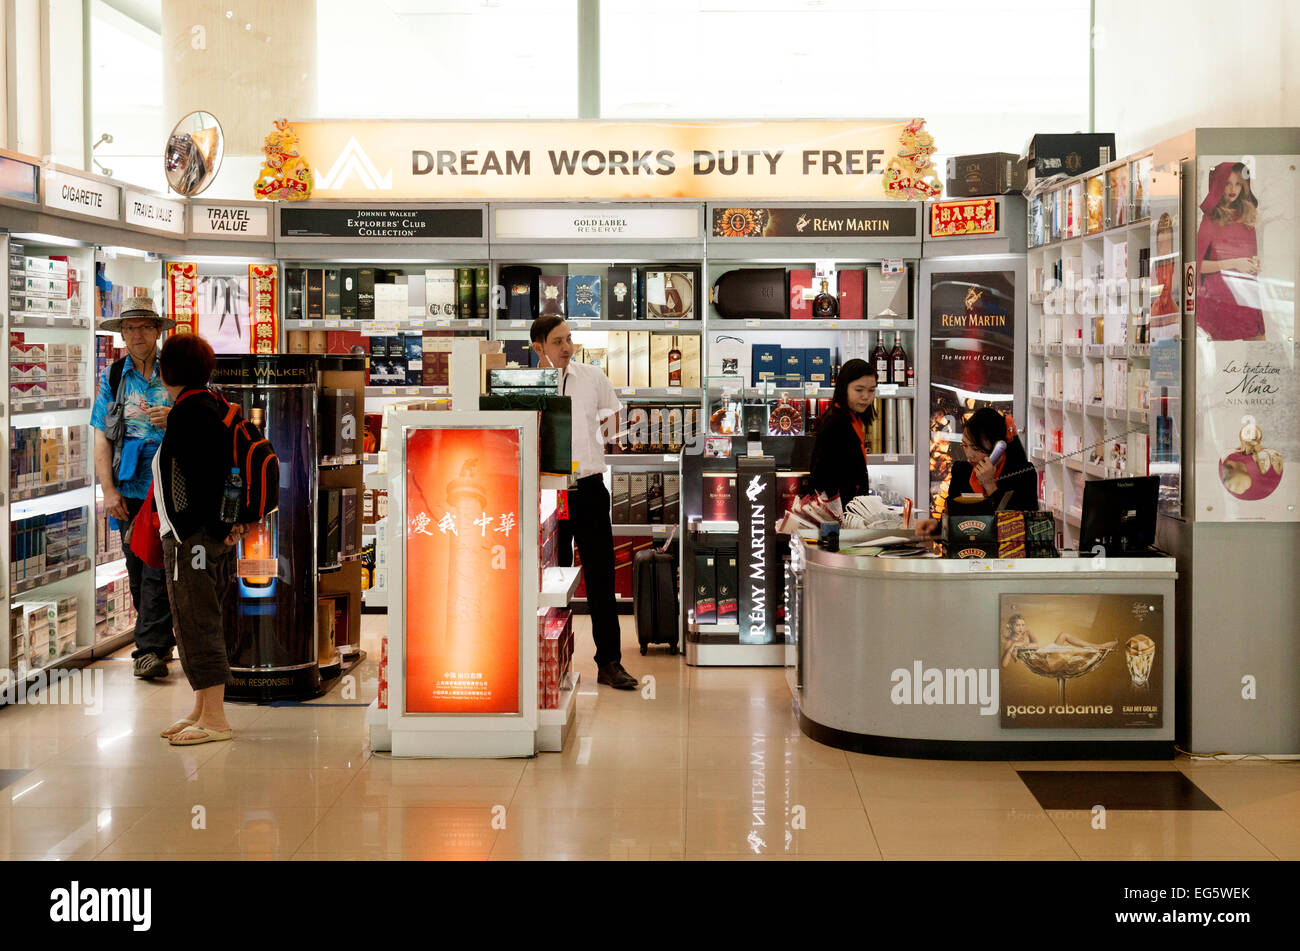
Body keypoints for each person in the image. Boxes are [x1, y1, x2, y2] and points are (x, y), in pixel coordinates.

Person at [531, 315, 637, 690]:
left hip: (588, 489)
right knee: (546, 580)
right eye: (558, 341)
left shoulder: (592, 378)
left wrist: (602, 435)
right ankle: (549, 660)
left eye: (569, 339)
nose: (567, 347)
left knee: (600, 578)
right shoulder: (525, 385)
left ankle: (609, 663)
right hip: (545, 495)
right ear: (538, 347)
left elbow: (614, 424)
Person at [152, 333, 249, 745]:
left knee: (196, 621)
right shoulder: (207, 405)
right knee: (197, 619)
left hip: (192, 539)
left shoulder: (188, 413)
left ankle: (215, 720)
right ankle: (201, 708)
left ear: (167, 370)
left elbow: (198, 480)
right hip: (206, 536)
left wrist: (194, 528)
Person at [90, 297, 176, 679]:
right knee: (137, 566)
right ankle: (159, 639)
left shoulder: (176, 371)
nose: (137, 334)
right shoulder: (112, 378)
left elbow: (205, 415)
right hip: (129, 489)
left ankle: (149, 649)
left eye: (144, 326)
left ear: (157, 331)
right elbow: (100, 439)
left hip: (171, 487)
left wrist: (176, 416)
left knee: (158, 564)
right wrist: (108, 491)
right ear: (121, 335)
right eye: (129, 328)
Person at [915, 407, 1037, 534]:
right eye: (965, 446)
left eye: (976, 448)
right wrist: (937, 527)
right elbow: (954, 522)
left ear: (998, 446)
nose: (969, 455)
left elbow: (1019, 529)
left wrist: (990, 486)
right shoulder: (962, 471)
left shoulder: (1024, 474)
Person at [1196, 161, 1264, 341]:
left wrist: (1253, 266)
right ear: (1219, 184)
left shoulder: (1247, 218)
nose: (1233, 189)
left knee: (1260, 354)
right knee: (1224, 362)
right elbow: (1198, 265)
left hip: (1245, 296)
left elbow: (1249, 257)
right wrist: (1235, 264)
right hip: (1219, 303)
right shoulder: (1210, 220)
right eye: (1227, 183)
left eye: (1238, 184)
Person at [809, 358, 877, 505]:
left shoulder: (853, 419)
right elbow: (822, 479)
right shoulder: (835, 423)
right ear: (843, 388)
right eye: (859, 390)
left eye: (871, 390)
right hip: (839, 516)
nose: (866, 396)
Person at [1000, 613, 1116, 669]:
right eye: (1017, 625)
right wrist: (1013, 646)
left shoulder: (1027, 633)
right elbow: (1004, 665)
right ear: (1011, 626)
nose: (1021, 628)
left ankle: (1097, 647)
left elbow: (1036, 645)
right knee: (1072, 652)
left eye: (1022, 625)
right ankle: (1099, 648)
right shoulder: (1009, 642)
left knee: (1064, 636)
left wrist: (1024, 644)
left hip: (1044, 652)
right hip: (1041, 661)